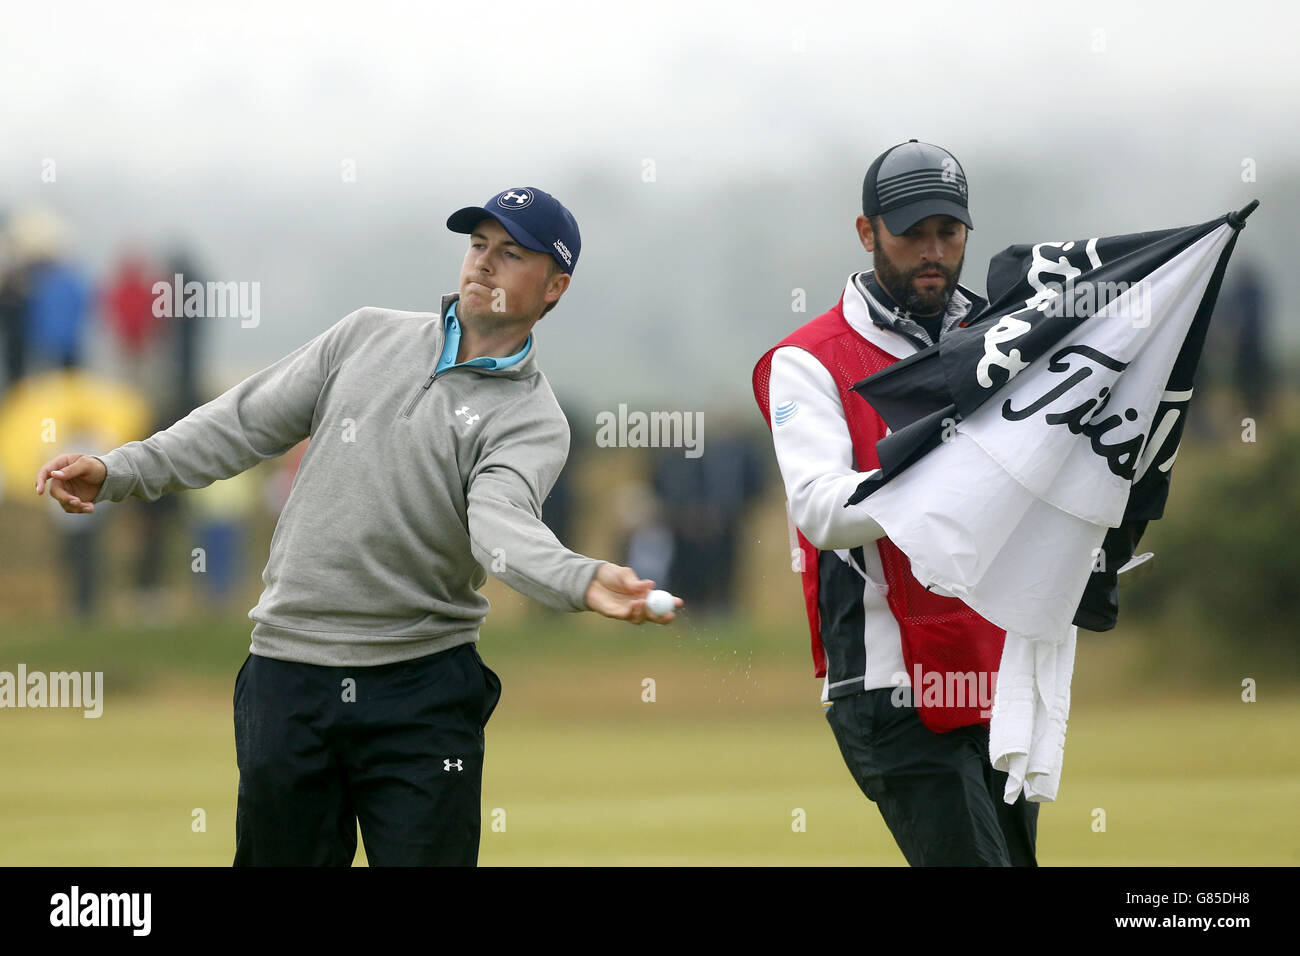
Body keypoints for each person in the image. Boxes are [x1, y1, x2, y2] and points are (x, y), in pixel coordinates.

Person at [36, 186, 681, 866]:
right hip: (288, 673)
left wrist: (579, 579)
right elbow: (239, 424)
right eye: (478, 245)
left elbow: (502, 527)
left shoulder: (531, 419)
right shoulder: (365, 334)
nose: (483, 265)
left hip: (422, 693)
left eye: (511, 254)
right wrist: (119, 471)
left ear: (555, 286)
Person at [752, 141, 1039, 866]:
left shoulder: (1003, 338)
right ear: (867, 231)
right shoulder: (808, 358)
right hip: (891, 685)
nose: (932, 251)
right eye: (912, 233)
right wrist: (952, 468)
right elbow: (821, 511)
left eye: (949, 232)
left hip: (999, 668)